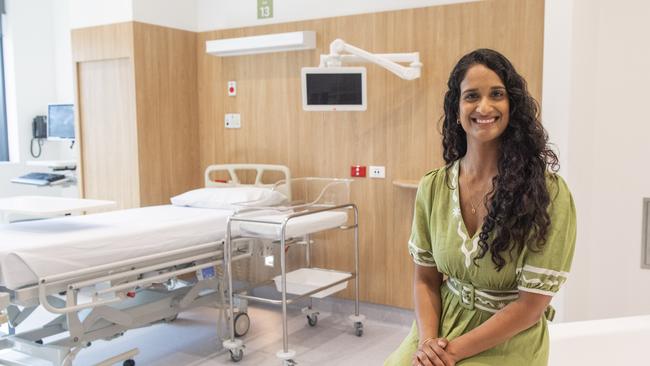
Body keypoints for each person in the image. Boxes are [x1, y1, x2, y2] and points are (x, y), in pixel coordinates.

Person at [384, 49, 576, 366]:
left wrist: (452, 353)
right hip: (443, 324)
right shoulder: (432, 187)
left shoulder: (548, 193)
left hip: (509, 335)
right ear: (456, 109)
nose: (484, 107)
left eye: (497, 95)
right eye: (472, 96)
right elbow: (425, 280)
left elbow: (531, 307)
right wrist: (429, 343)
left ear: (512, 105)